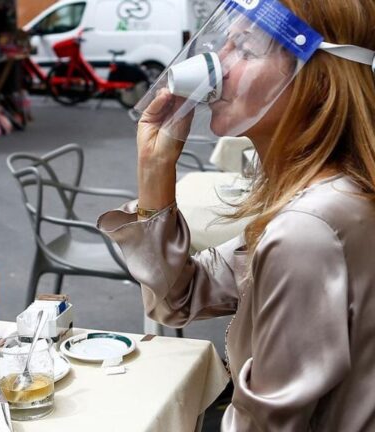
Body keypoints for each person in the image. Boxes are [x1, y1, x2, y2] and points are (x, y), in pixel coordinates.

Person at [97, 0, 375, 430]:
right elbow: (178, 298)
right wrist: (155, 170)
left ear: (316, 78)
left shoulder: (309, 228)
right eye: (223, 41)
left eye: (244, 48)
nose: (215, 65)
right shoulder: (329, 198)